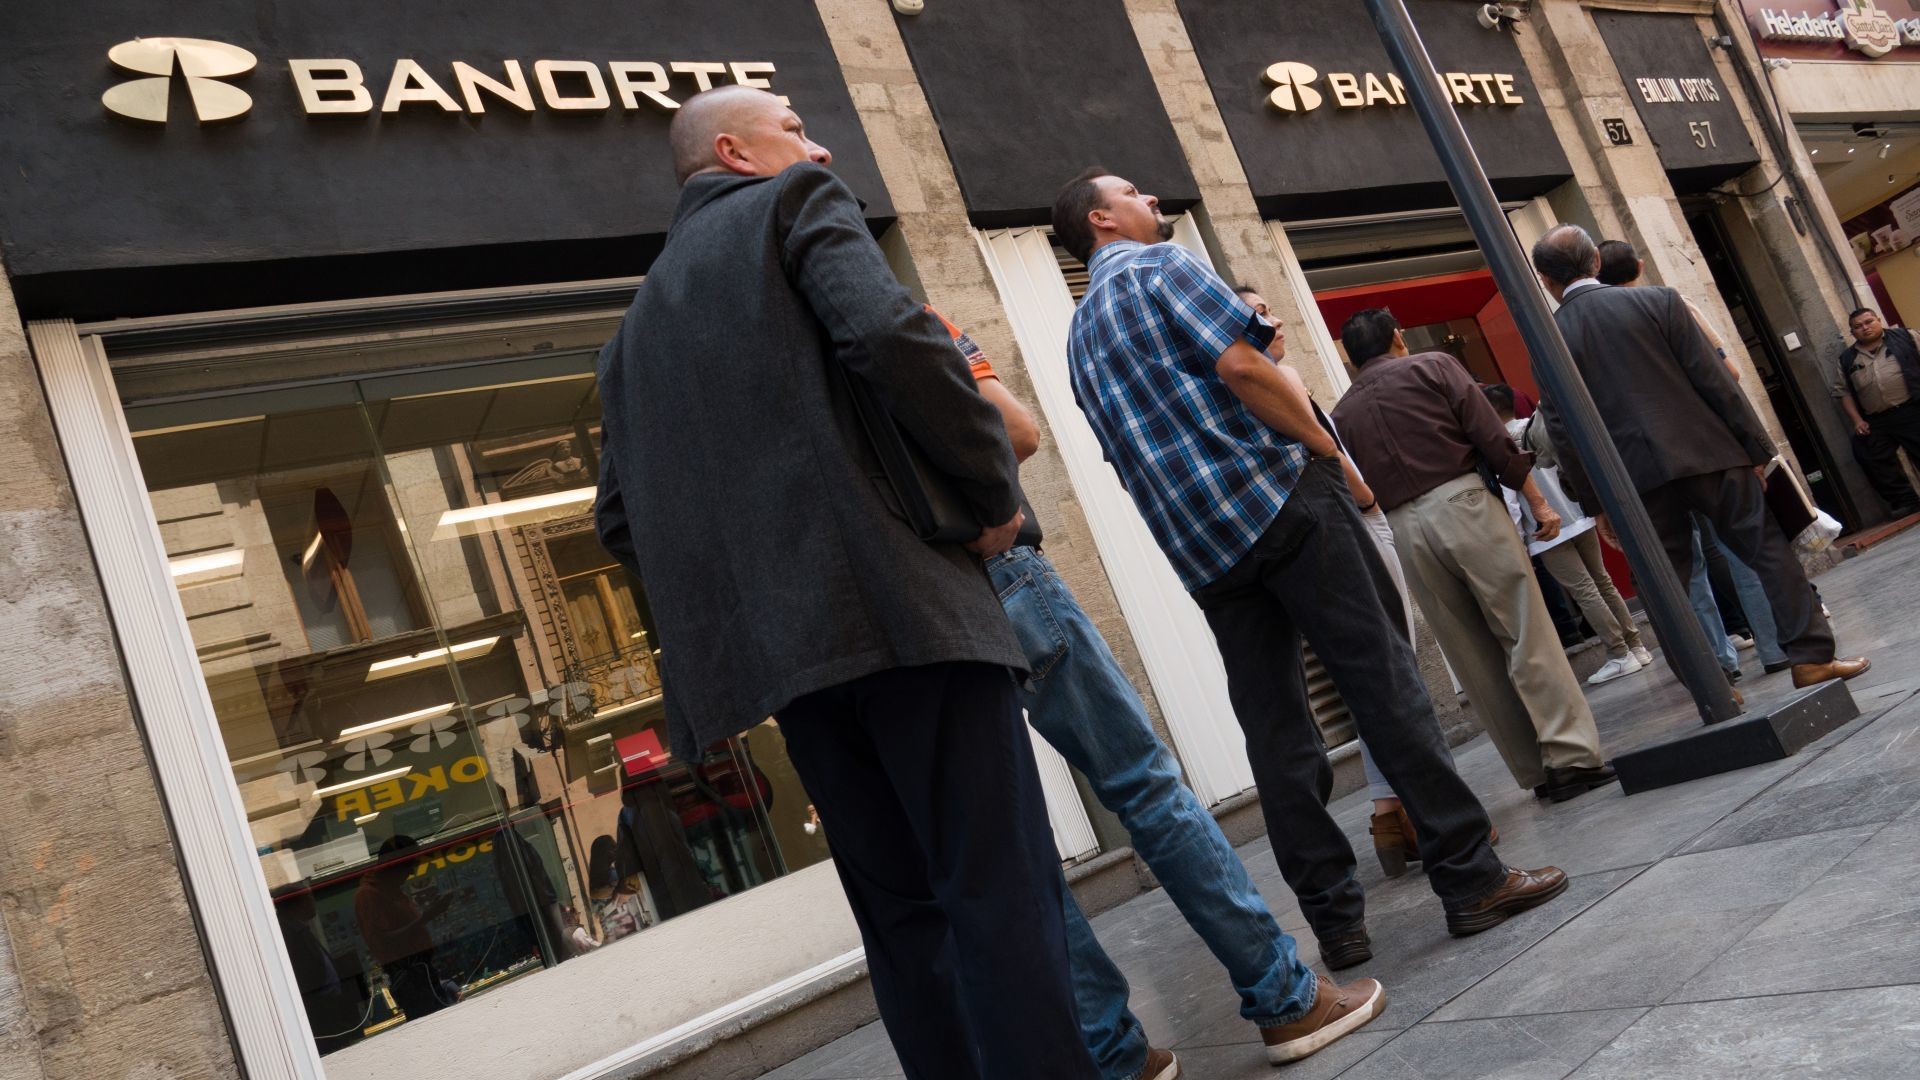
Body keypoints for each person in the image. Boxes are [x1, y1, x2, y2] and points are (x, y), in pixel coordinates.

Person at [592, 87, 1096, 1077]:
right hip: (909, 616)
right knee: (998, 889)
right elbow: (896, 342)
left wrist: (749, 599)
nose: (818, 148)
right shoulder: (795, 205)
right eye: (794, 129)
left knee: (902, 920)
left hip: (798, 671)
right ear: (735, 153)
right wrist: (989, 493)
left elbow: (620, 520)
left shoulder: (632, 335)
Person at [1053, 171, 1567, 1043]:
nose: (1152, 201)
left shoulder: (1077, 332)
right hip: (1281, 500)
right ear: (1102, 219)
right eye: (1134, 193)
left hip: (1204, 548)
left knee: (1278, 733)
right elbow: (1243, 365)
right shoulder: (1160, 267)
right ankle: (1471, 878)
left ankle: (1336, 924)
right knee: (1384, 683)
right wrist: (1329, 452)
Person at [936, 304, 1310, 1074]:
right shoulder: (890, 312)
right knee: (1144, 785)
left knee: (1017, 848)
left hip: (922, 623)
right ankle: (1286, 1000)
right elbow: (1016, 430)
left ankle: (1116, 1054)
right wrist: (982, 510)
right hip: (1001, 577)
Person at [1530, 224, 1869, 690]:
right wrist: (1756, 449)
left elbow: (1562, 428)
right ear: (1596, 262)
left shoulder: (1547, 339)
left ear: (1546, 280)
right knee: (1768, 552)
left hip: (1631, 479)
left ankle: (1711, 685)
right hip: (1709, 453)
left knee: (1664, 585)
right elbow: (1715, 380)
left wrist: (1596, 502)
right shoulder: (1659, 302)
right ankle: (1811, 658)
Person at [1234, 285, 1481, 877]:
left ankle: (1389, 813)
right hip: (1352, 519)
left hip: (1310, 530)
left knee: (1376, 671)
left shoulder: (1245, 387)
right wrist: (1365, 495)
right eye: (1260, 313)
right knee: (1392, 668)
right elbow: (1319, 448)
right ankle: (1420, 815)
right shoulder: (1277, 376)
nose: (1276, 319)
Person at [1327, 311, 1616, 802]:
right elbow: (1491, 435)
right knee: (1525, 630)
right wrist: (1537, 499)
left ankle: (1534, 770)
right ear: (1397, 337)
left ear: (1352, 359)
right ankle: (1570, 758)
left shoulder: (1342, 414)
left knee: (1471, 654)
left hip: (1401, 527)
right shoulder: (1434, 366)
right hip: (1462, 502)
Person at [1597, 240, 1796, 679]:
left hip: (1647, 466)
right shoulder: (1672, 304)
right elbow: (1729, 374)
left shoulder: (1594, 328)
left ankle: (1718, 664)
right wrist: (1752, 447)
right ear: (1640, 266)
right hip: (1707, 450)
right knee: (1740, 549)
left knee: (1688, 568)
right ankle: (1774, 648)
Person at [1485, 384, 1652, 684]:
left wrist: (1517, 540)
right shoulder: (1537, 427)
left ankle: (1618, 653)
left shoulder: (1500, 448)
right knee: (1602, 581)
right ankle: (1636, 645)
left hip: (1545, 531)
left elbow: (1511, 500)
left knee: (1584, 590)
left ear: (1489, 412)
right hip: (1577, 515)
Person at [355, 836, 460, 1022]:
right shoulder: (369, 895)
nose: (412, 871)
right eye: (409, 864)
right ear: (393, 865)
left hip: (421, 972)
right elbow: (383, 940)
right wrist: (426, 917)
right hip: (410, 977)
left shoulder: (391, 890)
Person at [1832, 307, 1920, 518]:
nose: (1865, 328)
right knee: (1869, 453)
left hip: (1912, 408)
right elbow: (1844, 392)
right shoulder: (1847, 359)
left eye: (1869, 322)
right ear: (1852, 332)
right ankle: (1906, 501)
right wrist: (1857, 421)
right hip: (1876, 419)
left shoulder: (1907, 337)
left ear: (1879, 320)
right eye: (1858, 326)